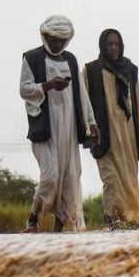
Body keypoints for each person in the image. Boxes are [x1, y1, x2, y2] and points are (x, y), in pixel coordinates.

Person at [19, 15, 100, 233]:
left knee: (70, 179)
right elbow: (24, 90)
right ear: (45, 36)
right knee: (51, 177)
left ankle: (59, 232)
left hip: (69, 129)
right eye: (54, 39)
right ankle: (33, 218)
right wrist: (48, 85)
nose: (57, 44)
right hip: (45, 129)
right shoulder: (33, 58)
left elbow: (82, 95)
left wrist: (92, 123)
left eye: (62, 40)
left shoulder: (70, 60)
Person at [83, 28, 139, 226]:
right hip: (104, 137)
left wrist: (138, 135)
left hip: (127, 137)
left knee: (129, 183)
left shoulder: (130, 69)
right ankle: (112, 223)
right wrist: (89, 131)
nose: (113, 48)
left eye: (117, 44)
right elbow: (84, 105)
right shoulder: (91, 71)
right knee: (111, 181)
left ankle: (131, 225)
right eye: (110, 44)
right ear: (103, 45)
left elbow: (136, 105)